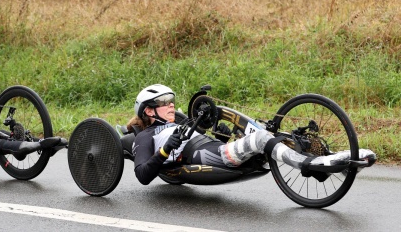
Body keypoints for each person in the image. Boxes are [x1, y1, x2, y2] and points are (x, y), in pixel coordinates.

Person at [128, 84, 376, 185]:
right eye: (164, 101)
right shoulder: (145, 137)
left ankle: (335, 162)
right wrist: (166, 148)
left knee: (270, 134)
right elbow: (143, 175)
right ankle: (309, 165)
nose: (171, 104)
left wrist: (221, 137)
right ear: (149, 110)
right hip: (206, 157)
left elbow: (203, 139)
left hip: (214, 150)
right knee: (259, 140)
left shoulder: (179, 122)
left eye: (171, 100)